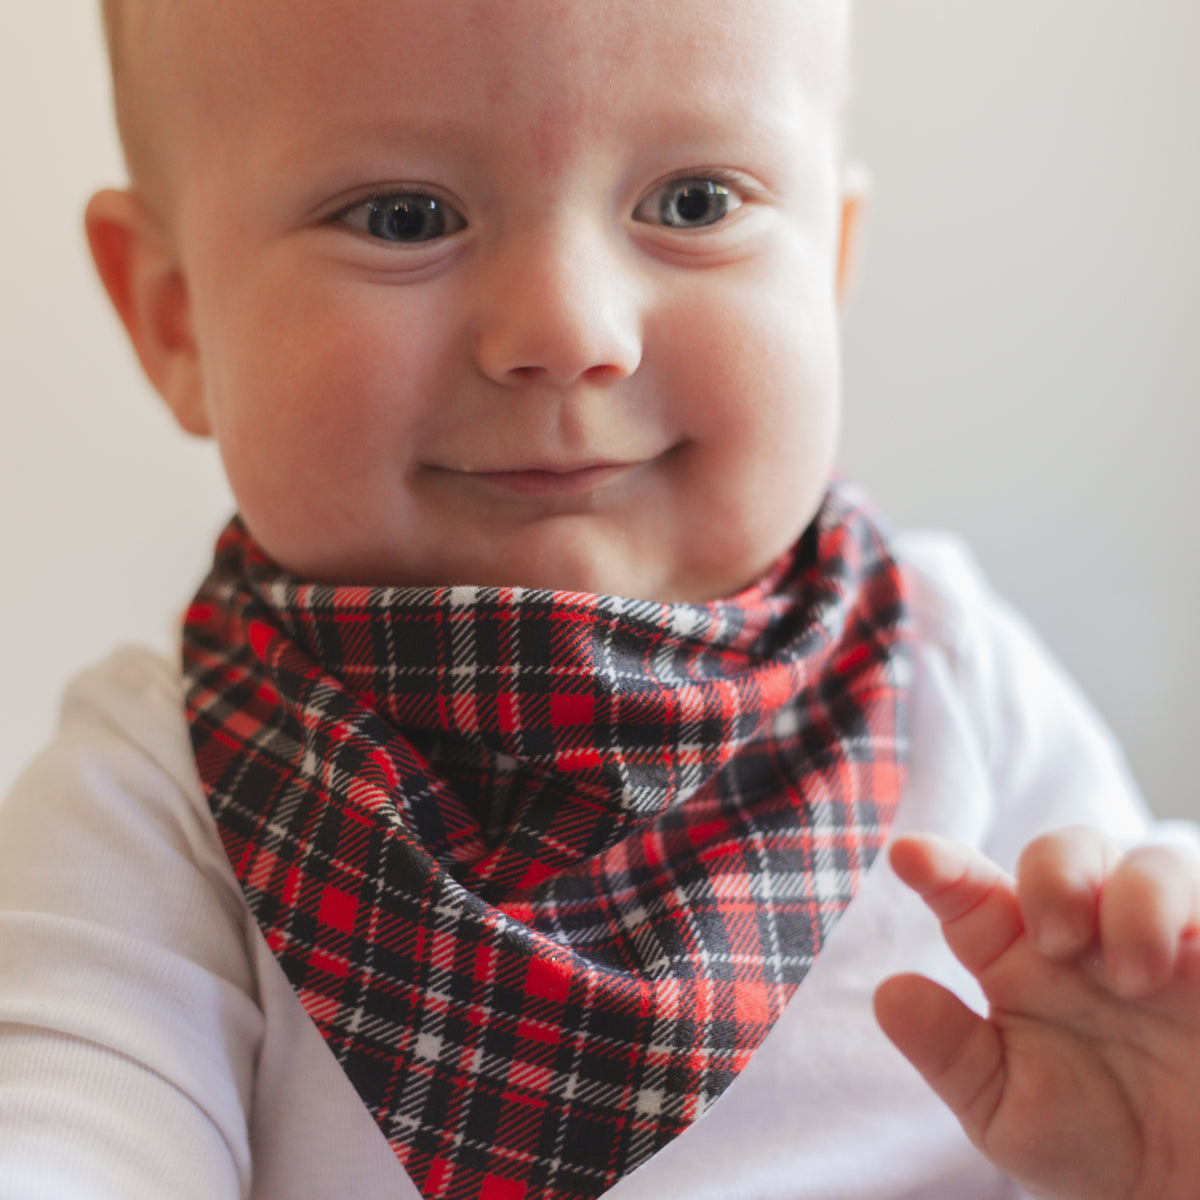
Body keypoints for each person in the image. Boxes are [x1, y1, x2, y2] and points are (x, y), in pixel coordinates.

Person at [1, 0, 1197, 1197]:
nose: (568, 330)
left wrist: (1149, 1155)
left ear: (829, 261)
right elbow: (65, 1134)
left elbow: (1126, 1014)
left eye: (692, 203)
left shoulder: (949, 673)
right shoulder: (154, 793)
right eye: (404, 217)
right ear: (173, 316)